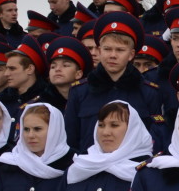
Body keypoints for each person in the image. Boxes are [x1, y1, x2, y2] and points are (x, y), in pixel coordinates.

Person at [63, 14, 162, 153]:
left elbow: (154, 141)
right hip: (90, 170)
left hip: (132, 171)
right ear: (99, 50)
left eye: (120, 50)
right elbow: (70, 141)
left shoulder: (148, 93)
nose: (113, 55)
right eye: (107, 49)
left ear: (131, 54)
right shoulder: (79, 91)